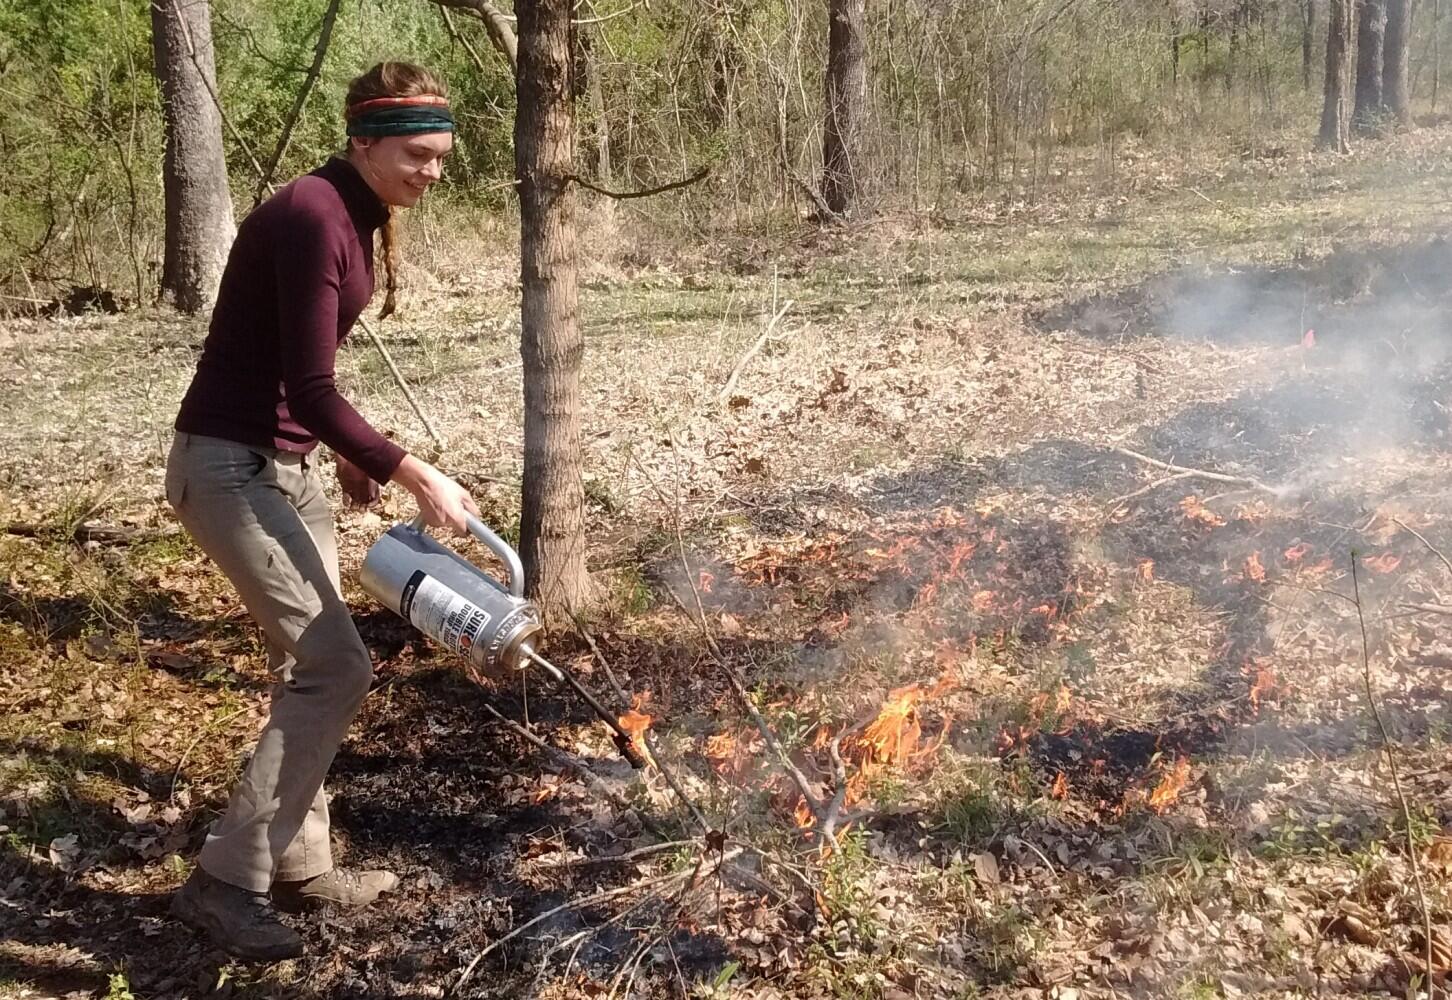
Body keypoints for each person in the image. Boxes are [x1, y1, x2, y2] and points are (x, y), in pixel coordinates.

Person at [164, 61, 478, 961]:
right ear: (363, 142)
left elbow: (300, 374)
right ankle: (224, 883)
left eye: (443, 158)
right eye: (417, 155)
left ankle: (298, 863)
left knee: (301, 664)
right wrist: (413, 471)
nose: (432, 173)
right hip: (229, 468)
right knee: (336, 666)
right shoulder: (311, 216)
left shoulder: (356, 213)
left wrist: (338, 454)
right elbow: (309, 381)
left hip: (289, 465)